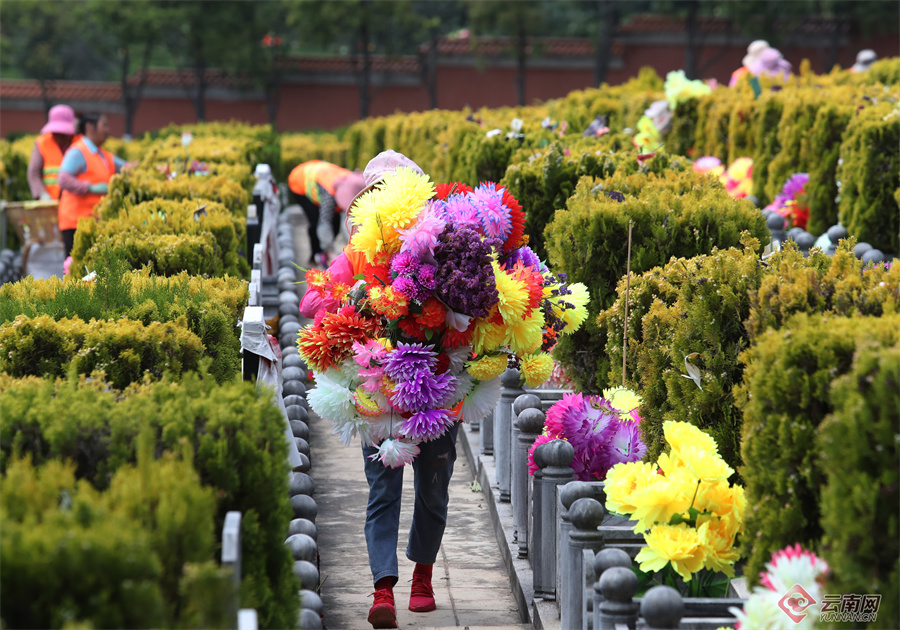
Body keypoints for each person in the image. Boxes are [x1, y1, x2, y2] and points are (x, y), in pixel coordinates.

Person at [299, 151, 457, 630]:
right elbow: (312, 300)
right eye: (379, 196)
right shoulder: (359, 255)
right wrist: (348, 301)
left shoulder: (440, 250)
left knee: (435, 491)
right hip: (377, 396)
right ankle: (382, 588)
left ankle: (423, 576)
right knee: (382, 492)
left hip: (436, 392)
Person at [57, 113, 129, 257]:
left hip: (94, 220)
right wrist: (90, 187)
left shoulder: (102, 154)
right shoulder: (78, 152)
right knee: (78, 270)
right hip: (76, 223)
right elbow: (63, 178)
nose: (108, 130)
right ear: (90, 127)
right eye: (105, 125)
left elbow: (127, 167)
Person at [288, 159, 365, 268]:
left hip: (321, 173)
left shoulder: (351, 180)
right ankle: (316, 257)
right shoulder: (330, 195)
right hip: (300, 180)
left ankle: (325, 252)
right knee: (315, 221)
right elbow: (324, 222)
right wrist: (330, 250)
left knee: (335, 222)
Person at [27, 105, 80, 201]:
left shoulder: (81, 143)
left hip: (76, 201)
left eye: (63, 133)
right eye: (56, 132)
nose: (59, 136)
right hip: (50, 201)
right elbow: (34, 173)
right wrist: (42, 194)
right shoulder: (42, 142)